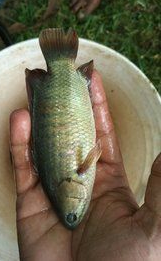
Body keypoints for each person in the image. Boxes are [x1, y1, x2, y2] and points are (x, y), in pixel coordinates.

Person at [10, 69, 161, 261]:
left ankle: (62, 70)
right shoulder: (70, 180)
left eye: (71, 215)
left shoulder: (75, 176)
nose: (74, 217)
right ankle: (66, 73)